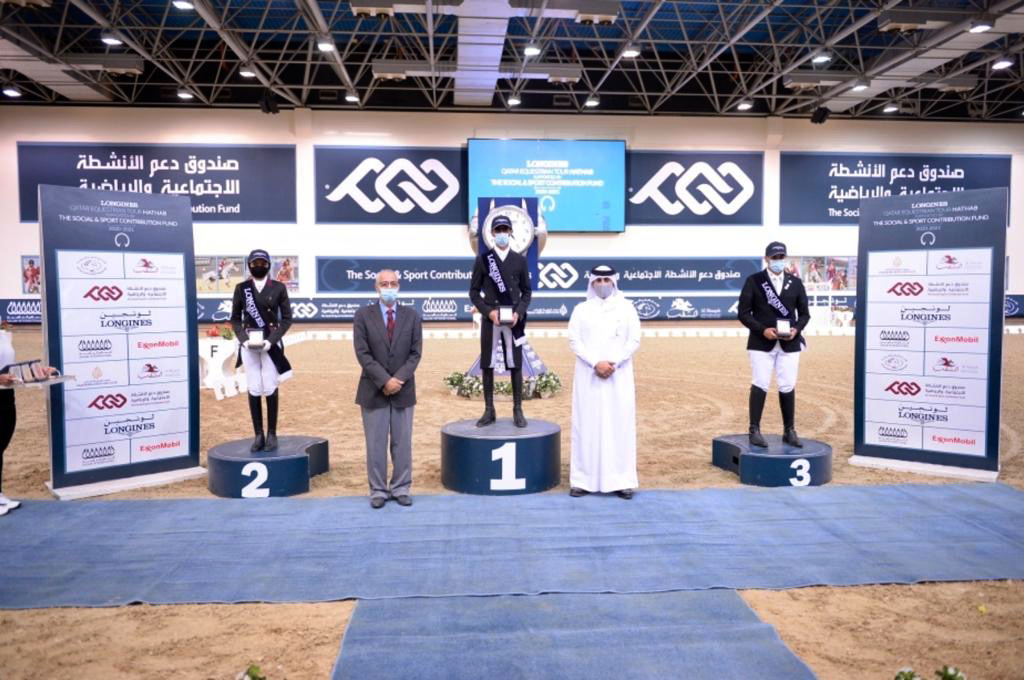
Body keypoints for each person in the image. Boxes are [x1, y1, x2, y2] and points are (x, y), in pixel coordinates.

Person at [567, 265, 641, 499]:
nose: (602, 284)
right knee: (586, 425)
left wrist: (613, 363)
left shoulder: (627, 308)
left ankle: (622, 480)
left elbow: (634, 340)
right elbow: (574, 341)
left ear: (613, 282)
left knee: (619, 425)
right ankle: (582, 480)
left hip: (618, 375)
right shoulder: (581, 310)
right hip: (588, 375)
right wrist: (595, 363)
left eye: (606, 280)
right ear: (591, 283)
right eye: (598, 281)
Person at [353, 270, 423, 509]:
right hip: (373, 390)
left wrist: (398, 379)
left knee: (402, 443)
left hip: (404, 389)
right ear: (377, 288)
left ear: (399, 285)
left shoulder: (412, 316)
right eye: (384, 284)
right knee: (375, 444)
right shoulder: (363, 316)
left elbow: (415, 354)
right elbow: (362, 353)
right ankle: (378, 490)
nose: (389, 287)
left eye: (393, 283)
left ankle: (401, 487)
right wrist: (385, 381)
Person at [737, 241, 810, 448]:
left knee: (787, 385)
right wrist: (762, 330)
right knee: (760, 383)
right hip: (761, 342)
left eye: (781, 257)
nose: (778, 260)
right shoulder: (754, 281)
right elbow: (743, 313)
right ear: (766, 258)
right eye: (774, 257)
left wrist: (796, 330)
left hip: (789, 343)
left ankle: (789, 430)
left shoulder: (796, 283)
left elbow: (804, 314)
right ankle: (754, 430)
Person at [469, 215, 532, 428]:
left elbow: (527, 292)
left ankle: (517, 409)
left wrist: (519, 313)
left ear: (511, 232)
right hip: (492, 319)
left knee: (515, 363)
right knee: (487, 363)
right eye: (499, 230)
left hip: (513, 320)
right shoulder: (483, 260)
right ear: (493, 233)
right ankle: (489, 410)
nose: (502, 233)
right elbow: (474, 292)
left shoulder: (520, 260)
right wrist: (488, 312)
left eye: (505, 229)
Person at [230, 249, 293, 453]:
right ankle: (258, 434)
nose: (259, 266)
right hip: (249, 346)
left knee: (270, 386)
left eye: (262, 263)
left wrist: (271, 341)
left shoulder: (279, 288)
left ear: (268, 265)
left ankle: (272, 433)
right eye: (255, 263)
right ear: (249, 265)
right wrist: (244, 340)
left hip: (270, 345)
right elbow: (235, 319)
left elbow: (287, 319)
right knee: (254, 387)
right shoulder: (242, 289)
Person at [0, 321, 56, 517]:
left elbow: (8, 367)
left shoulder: (3, 334)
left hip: (6, 394)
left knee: (2, 443)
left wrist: (36, 371)